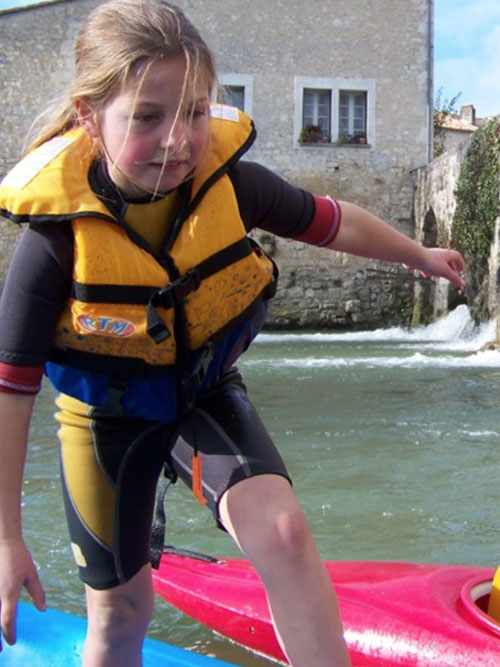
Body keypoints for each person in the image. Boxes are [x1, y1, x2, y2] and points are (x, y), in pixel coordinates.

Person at [0, 1, 465, 665]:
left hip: (200, 388)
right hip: (105, 418)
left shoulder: (231, 186)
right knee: (123, 612)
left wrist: (418, 255)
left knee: (284, 530)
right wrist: (6, 537)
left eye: (194, 112)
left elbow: (335, 221)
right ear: (88, 118)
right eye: (148, 117)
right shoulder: (53, 243)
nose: (177, 140)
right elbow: (9, 391)